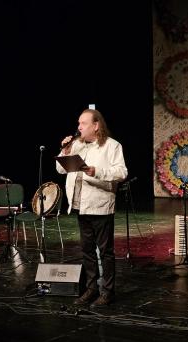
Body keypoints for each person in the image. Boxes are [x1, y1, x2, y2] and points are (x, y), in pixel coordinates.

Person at [56, 109, 128, 307]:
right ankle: (91, 289)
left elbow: (121, 172)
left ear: (96, 125)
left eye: (83, 123)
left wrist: (97, 171)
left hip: (100, 205)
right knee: (87, 250)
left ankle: (108, 292)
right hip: (81, 205)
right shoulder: (76, 145)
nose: (79, 127)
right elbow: (60, 169)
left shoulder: (112, 145)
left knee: (105, 252)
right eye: (79, 123)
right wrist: (65, 150)